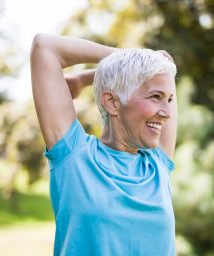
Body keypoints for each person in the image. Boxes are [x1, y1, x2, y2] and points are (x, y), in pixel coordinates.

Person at [30, 33, 178, 256]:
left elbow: (166, 64)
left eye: (169, 100)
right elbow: (44, 46)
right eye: (155, 97)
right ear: (112, 102)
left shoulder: (158, 164)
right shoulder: (74, 157)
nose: (166, 113)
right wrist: (126, 61)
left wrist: (86, 78)